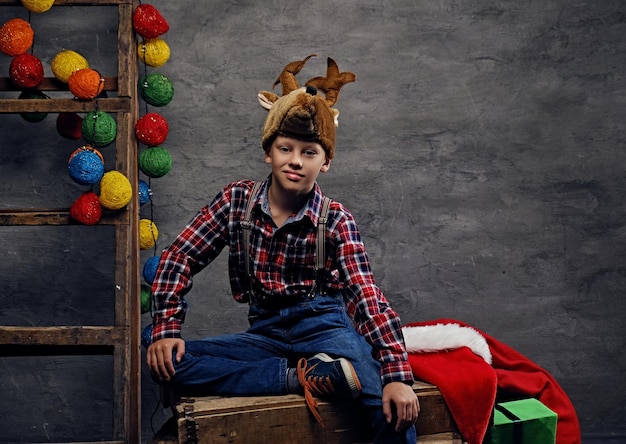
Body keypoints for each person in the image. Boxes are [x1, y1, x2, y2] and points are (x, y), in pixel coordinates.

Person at [146, 55, 419, 443]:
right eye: (285, 148)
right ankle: (296, 376)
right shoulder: (236, 201)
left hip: (325, 328)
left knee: (388, 404)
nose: (295, 161)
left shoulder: (336, 219)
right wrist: (166, 328)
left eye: (309, 152)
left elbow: (366, 298)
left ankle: (318, 370)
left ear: (325, 162)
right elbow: (179, 257)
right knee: (156, 346)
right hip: (266, 333)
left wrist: (396, 375)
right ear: (268, 152)